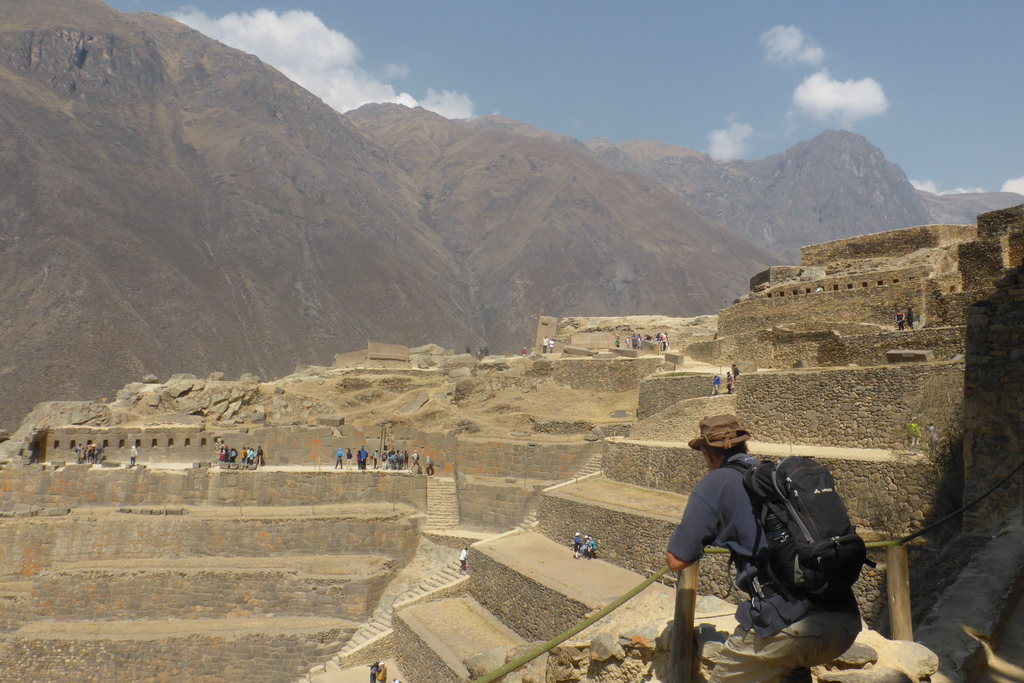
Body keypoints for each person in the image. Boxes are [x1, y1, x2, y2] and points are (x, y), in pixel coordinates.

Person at [666, 414, 860, 683]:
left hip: (790, 627)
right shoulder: (773, 478)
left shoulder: (715, 483)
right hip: (845, 622)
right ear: (744, 446)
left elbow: (676, 560)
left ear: (707, 454)